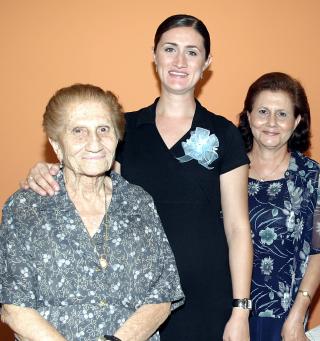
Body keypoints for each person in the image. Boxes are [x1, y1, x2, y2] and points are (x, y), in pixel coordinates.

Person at [19, 15, 253, 341]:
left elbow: (238, 227)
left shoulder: (224, 133)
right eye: (170, 49)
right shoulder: (122, 129)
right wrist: (44, 169)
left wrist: (241, 309)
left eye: (192, 52)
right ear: (154, 55)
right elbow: (83, 179)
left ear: (207, 62)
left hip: (208, 297)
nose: (179, 61)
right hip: (136, 302)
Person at [0, 84, 184, 341]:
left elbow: (162, 295)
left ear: (117, 137)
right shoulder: (25, 208)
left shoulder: (139, 203)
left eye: (104, 129)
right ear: (57, 145)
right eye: (78, 131)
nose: (95, 143)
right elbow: (13, 306)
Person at [238, 72, 320, 341]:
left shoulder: (311, 176)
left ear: (296, 121)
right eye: (262, 111)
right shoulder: (228, 172)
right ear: (248, 116)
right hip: (230, 314)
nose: (271, 122)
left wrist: (298, 315)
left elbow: (318, 254)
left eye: (282, 114)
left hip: (285, 317)